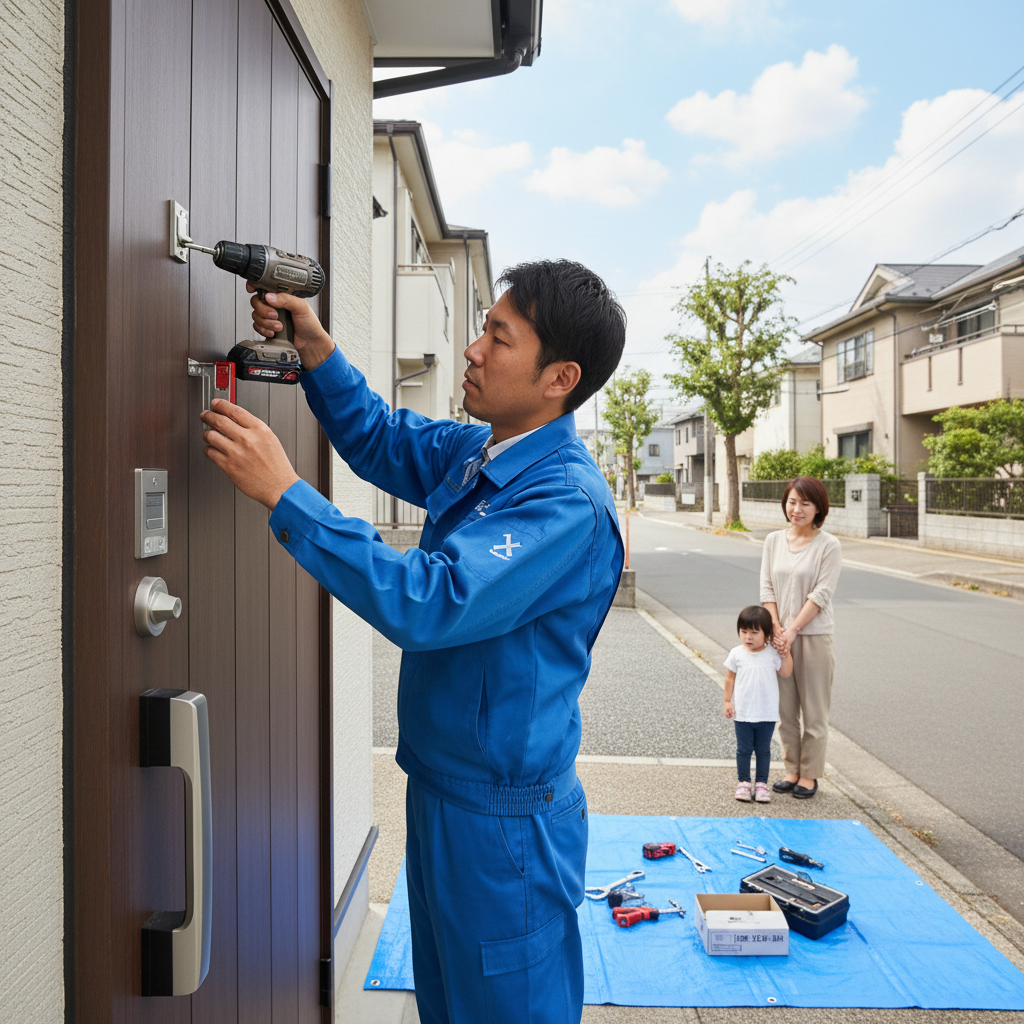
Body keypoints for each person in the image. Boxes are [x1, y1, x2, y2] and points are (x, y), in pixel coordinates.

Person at [200, 260, 626, 1024]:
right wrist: (318, 352)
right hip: (442, 790)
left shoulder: (564, 501)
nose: (472, 349)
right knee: (448, 1001)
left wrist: (287, 494)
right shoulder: (483, 453)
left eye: (498, 337)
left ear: (559, 376)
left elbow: (429, 600)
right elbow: (380, 436)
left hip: (506, 823)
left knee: (504, 1009)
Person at [760, 476, 842, 800]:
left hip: (814, 637)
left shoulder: (828, 545)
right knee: (785, 710)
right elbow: (767, 587)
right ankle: (791, 769)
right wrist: (777, 629)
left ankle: (809, 774)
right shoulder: (773, 541)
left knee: (815, 711)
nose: (797, 509)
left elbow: (822, 594)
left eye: (805, 503)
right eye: (792, 502)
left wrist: (792, 630)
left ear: (818, 508)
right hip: (779, 637)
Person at [723, 605, 793, 803]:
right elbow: (729, 679)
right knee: (743, 749)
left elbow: (786, 672)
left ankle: (761, 784)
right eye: (744, 632)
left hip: (766, 713)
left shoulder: (772, 654)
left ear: (766, 634)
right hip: (743, 713)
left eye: (754, 632)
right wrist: (727, 701)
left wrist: (786, 654)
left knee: (763, 750)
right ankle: (744, 783)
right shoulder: (736, 654)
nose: (748, 637)